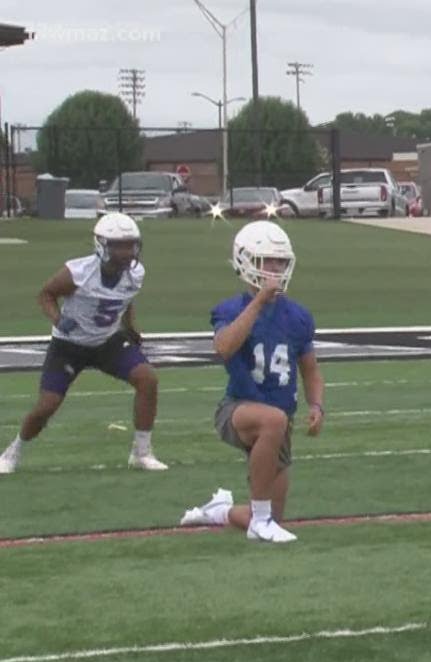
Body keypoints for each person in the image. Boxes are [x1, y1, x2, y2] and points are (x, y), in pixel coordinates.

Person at [178, 221, 324, 544]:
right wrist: (259, 302)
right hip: (238, 409)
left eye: (281, 262)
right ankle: (259, 520)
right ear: (247, 262)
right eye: (268, 261)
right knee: (273, 420)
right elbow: (224, 347)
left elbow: (310, 369)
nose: (276, 268)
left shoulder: (298, 316)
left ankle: (220, 512)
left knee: (276, 516)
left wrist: (316, 404)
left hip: (280, 420)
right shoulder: (231, 309)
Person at [0, 213, 167, 475]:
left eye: (130, 244)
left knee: (148, 380)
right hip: (70, 344)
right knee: (47, 406)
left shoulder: (136, 273)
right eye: (118, 245)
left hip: (107, 341)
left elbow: (125, 298)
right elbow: (45, 294)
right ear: (101, 245)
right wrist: (58, 318)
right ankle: (13, 451)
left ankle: (142, 453)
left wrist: (130, 326)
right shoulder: (78, 272)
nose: (126, 252)